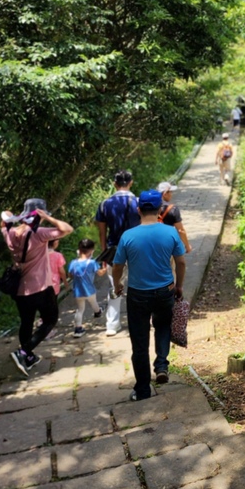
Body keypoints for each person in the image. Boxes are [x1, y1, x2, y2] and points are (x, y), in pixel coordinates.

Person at [112, 189, 186, 400]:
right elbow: (181, 262)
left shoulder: (128, 236)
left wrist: (117, 284)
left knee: (139, 341)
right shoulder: (171, 232)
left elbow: (117, 266)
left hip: (137, 295)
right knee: (162, 326)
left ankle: (143, 389)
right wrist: (179, 286)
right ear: (160, 209)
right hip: (165, 291)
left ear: (138, 210)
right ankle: (161, 365)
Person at [2, 198, 74, 378]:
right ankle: (23, 352)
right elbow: (67, 229)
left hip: (20, 290)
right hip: (40, 286)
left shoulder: (10, 233)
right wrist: (49, 219)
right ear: (39, 215)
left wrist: (10, 217)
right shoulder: (39, 233)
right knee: (50, 320)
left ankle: (28, 358)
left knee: (26, 322)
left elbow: (3, 223)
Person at [95, 169, 141, 335]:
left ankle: (112, 325)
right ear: (131, 183)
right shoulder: (138, 202)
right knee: (138, 285)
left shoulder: (104, 204)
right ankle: (138, 321)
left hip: (114, 250)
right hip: (137, 249)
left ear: (114, 184)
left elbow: (102, 232)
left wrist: (104, 253)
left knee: (115, 285)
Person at [69, 238, 107, 337]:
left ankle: (78, 329)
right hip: (89, 290)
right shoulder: (92, 263)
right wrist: (105, 268)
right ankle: (98, 312)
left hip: (78, 291)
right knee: (93, 303)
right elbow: (100, 273)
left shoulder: (73, 263)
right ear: (91, 250)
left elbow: (70, 275)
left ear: (79, 250)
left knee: (80, 309)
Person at [157, 181, 192, 253]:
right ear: (165, 194)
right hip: (167, 243)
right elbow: (180, 230)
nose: (171, 194)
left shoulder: (151, 207)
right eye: (170, 192)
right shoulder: (173, 209)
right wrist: (187, 245)